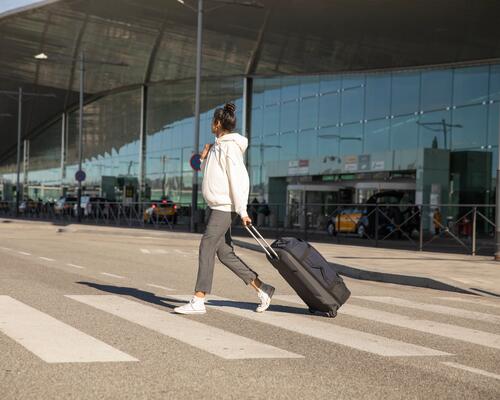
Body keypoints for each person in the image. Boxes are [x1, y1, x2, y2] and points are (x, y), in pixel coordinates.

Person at [174, 103, 275, 315]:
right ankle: (263, 289)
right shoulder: (217, 146)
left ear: (217, 123)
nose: (211, 125)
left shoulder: (229, 147)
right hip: (217, 207)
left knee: (206, 246)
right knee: (225, 254)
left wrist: (243, 210)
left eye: (212, 121)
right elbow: (207, 171)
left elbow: (239, 180)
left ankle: (198, 300)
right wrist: (203, 156)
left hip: (224, 207)